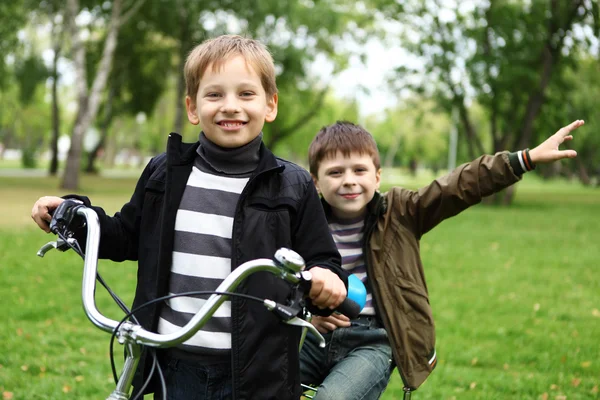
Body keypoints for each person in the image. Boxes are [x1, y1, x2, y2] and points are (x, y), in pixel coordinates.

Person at [30, 35, 350, 400]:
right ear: (193, 107)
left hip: (258, 370)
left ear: (270, 105)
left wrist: (326, 277)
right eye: (214, 95)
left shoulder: (290, 184)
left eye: (246, 94)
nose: (230, 106)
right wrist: (74, 215)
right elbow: (125, 234)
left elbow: (323, 259)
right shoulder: (165, 173)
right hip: (174, 364)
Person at [299, 119, 585, 399]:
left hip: (373, 342)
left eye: (359, 170)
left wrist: (525, 159)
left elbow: (457, 185)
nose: (349, 180)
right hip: (315, 335)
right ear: (316, 183)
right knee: (259, 383)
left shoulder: (402, 212)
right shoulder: (303, 224)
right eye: (335, 173)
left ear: (377, 176)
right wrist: (309, 315)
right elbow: (281, 277)